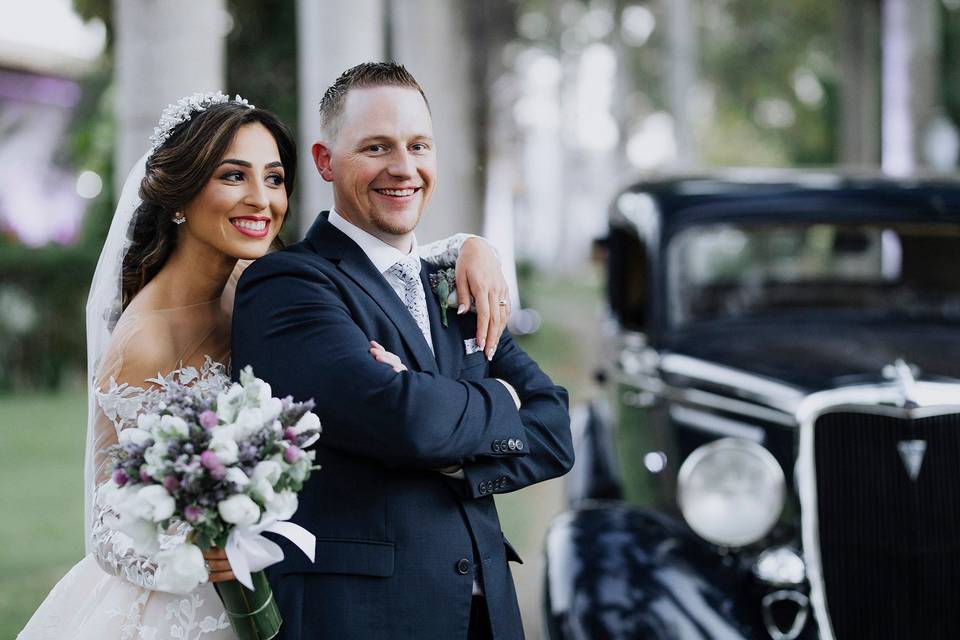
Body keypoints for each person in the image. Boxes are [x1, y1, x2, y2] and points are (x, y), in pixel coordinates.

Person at [18, 91, 508, 640]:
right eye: (234, 177)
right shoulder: (147, 339)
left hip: (300, 590)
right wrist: (201, 548)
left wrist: (469, 246)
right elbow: (109, 528)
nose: (261, 200)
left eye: (274, 179)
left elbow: (374, 264)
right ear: (180, 195)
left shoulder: (260, 281)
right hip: (193, 609)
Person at [232, 62, 575, 640]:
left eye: (419, 145)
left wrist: (454, 451)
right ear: (324, 161)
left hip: (487, 614)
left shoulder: (459, 279)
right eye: (376, 147)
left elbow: (555, 429)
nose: (403, 167)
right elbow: (403, 418)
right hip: (363, 620)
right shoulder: (289, 284)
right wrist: (500, 397)